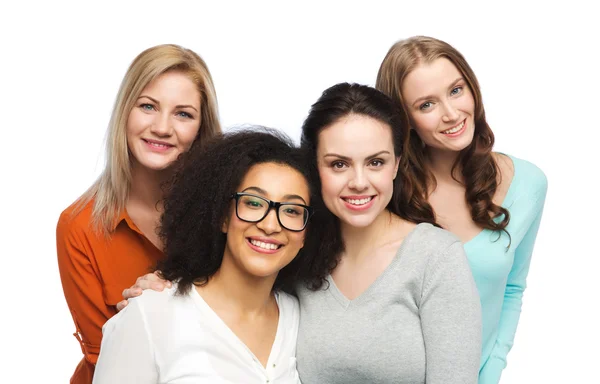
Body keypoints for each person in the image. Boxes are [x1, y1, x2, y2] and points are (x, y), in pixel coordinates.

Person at [121, 83, 482, 383]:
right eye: (338, 164)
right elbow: (228, 282)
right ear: (314, 168)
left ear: (397, 165)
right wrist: (157, 289)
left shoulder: (435, 257)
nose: (359, 182)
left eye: (376, 162)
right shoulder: (294, 249)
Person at [376, 35, 548, 383]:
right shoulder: (385, 193)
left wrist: (491, 373)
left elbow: (512, 288)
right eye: (427, 105)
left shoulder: (528, 183)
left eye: (456, 90)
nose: (452, 114)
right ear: (403, 120)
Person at [93, 128, 321, 383]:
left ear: (306, 233)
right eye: (254, 203)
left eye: (291, 210)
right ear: (223, 216)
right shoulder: (150, 315)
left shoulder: (302, 320)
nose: (270, 225)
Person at [56, 44, 221, 383]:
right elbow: (104, 356)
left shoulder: (228, 214)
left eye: (183, 114)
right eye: (148, 106)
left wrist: (169, 299)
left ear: (201, 127)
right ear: (125, 113)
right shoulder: (79, 226)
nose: (161, 127)